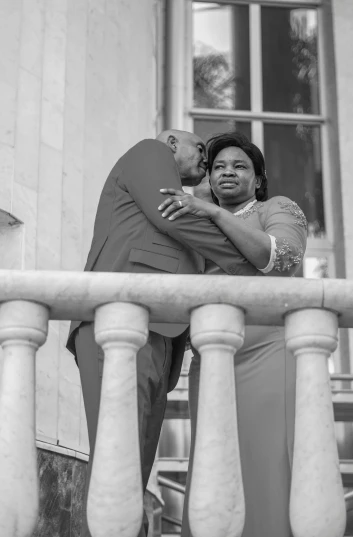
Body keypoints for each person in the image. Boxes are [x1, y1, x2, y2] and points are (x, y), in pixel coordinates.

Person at [66, 130, 261, 537]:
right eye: (202, 151)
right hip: (120, 325)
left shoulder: (194, 200)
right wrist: (249, 265)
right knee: (115, 460)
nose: (208, 163)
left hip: (161, 334)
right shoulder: (150, 152)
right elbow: (168, 214)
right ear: (173, 142)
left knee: (134, 467)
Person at [158, 132, 308, 537]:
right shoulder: (191, 217)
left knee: (267, 458)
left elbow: (283, 260)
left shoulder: (277, 207)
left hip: (269, 354)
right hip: (210, 357)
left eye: (240, 166)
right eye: (218, 165)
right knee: (212, 461)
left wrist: (216, 214)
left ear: (258, 180)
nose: (227, 171)